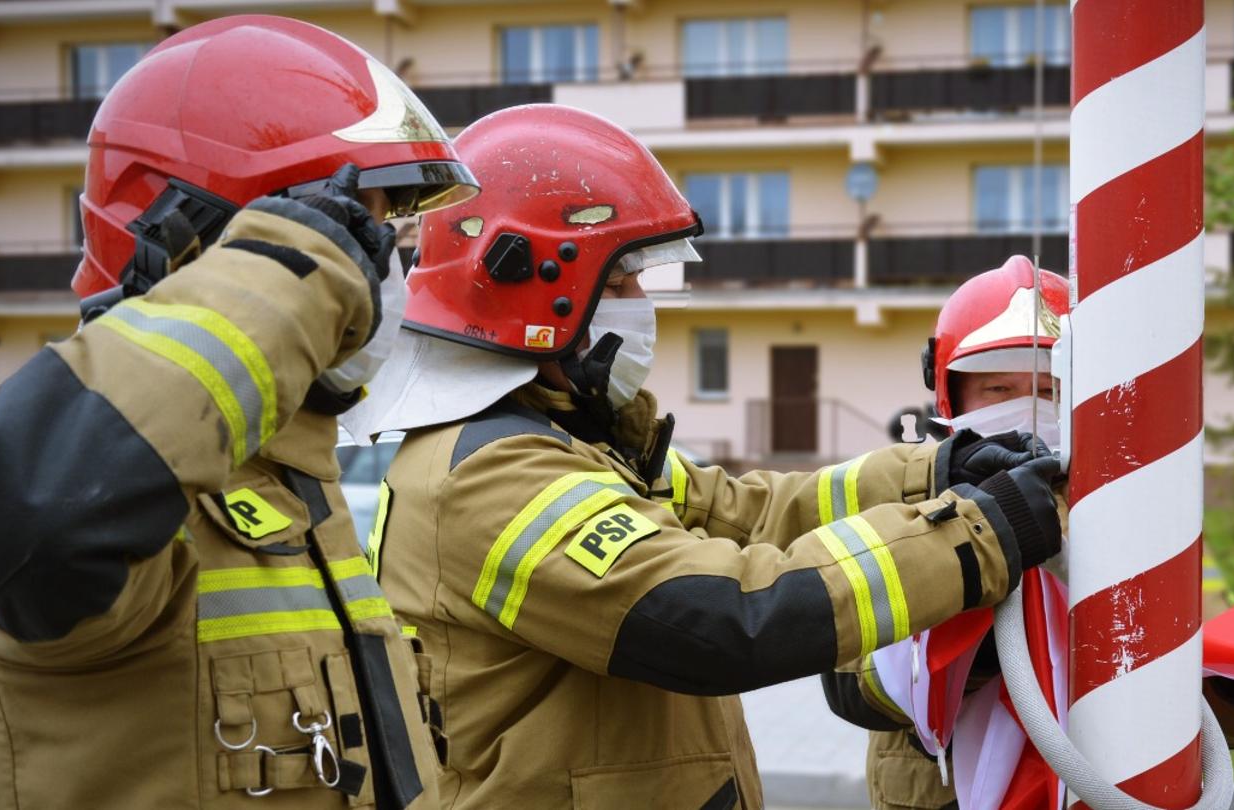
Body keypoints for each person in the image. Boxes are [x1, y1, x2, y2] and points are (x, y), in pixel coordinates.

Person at [343, 104, 1068, 810]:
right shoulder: (491, 475)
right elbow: (723, 616)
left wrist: (938, 471)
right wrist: (979, 535)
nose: (639, 304)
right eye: (622, 281)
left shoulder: (578, 442)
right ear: (541, 288)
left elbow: (751, 512)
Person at [0, 16, 478, 809]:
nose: (380, 271)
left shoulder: (293, 487)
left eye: (385, 234)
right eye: (357, 228)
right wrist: (301, 270)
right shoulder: (130, 498)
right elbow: (31, 517)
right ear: (210, 237)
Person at [823, 257, 1234, 810]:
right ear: (950, 394)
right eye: (998, 389)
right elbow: (850, 684)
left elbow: (1211, 709)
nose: (1024, 411)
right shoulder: (906, 497)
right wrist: (973, 652)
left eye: (1047, 389)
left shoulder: (1140, 510)